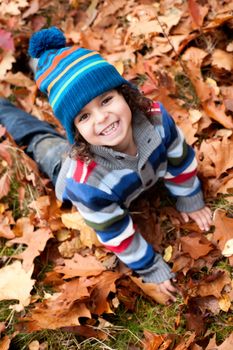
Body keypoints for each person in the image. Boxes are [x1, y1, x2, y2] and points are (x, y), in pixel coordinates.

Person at [0, 27, 212, 302]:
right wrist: (149, 266)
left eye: (107, 100)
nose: (101, 118)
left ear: (125, 92)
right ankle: (6, 107)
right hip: (71, 160)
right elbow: (115, 232)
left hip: (107, 153)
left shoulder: (156, 120)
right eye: (84, 116)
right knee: (39, 138)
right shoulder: (85, 182)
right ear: (75, 129)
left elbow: (180, 160)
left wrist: (191, 198)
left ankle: (39, 64)